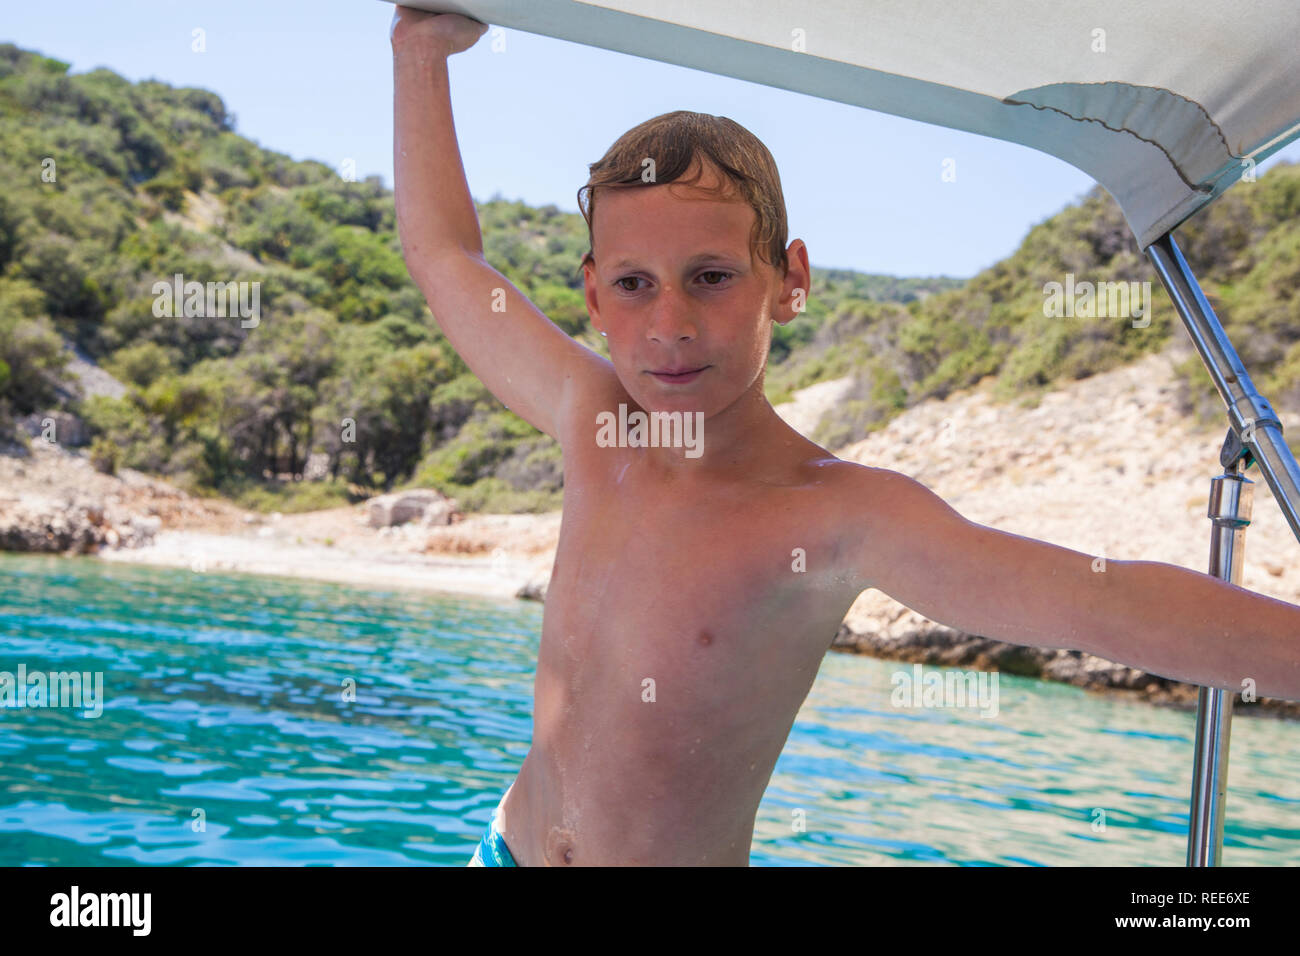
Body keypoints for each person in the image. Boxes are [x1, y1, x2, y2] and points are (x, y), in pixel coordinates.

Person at [389, 6, 1300, 866]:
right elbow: (445, 258)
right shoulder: (594, 423)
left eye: (709, 277)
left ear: (789, 281)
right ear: (593, 295)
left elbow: (1104, 603)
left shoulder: (837, 518)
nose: (668, 324)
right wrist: (419, 51)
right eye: (635, 285)